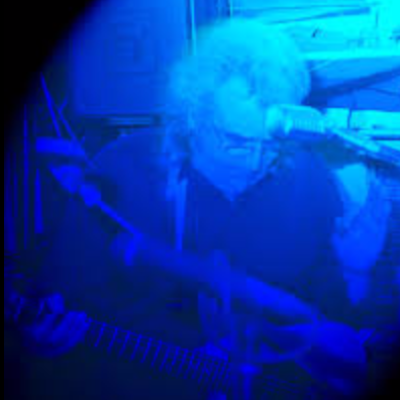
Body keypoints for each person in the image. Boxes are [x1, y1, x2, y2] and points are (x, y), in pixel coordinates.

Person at [22, 17, 376, 400]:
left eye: (271, 144)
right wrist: (44, 340)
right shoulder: (123, 169)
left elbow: (326, 310)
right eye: (236, 142)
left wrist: (356, 287)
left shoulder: (306, 175)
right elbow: (57, 303)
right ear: (193, 116)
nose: (255, 163)